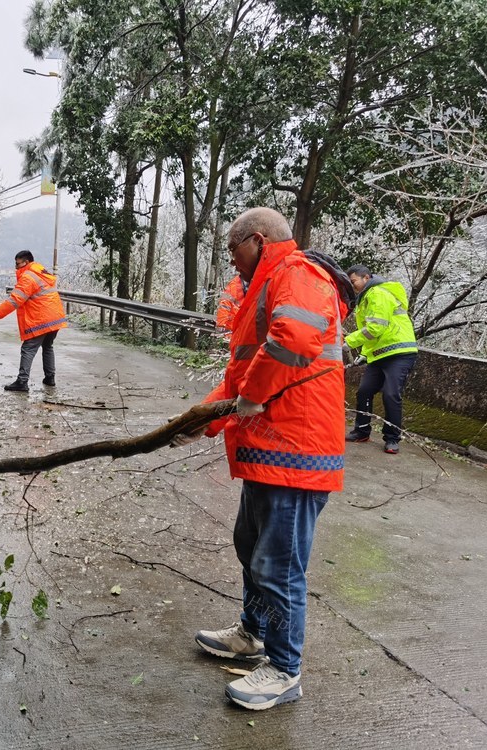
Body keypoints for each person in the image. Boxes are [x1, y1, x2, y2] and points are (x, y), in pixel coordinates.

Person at [173, 207, 349, 710]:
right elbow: (240, 379)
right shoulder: (266, 285)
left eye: (234, 251)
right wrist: (196, 422)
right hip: (269, 451)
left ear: (257, 239)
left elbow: (292, 340)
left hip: (297, 454)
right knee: (250, 547)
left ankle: (285, 670)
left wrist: (253, 393)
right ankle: (252, 634)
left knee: (278, 565)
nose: (233, 263)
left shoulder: (297, 274)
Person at [343, 264, 418, 454]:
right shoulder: (367, 298)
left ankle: (392, 438)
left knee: (391, 394)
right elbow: (373, 335)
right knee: (364, 391)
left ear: (366, 278)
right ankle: (361, 430)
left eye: (354, 282)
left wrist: (347, 342)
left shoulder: (378, 293)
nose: (352, 286)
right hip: (380, 354)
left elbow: (376, 328)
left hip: (400, 353)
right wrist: (364, 354)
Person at [0, 250, 68, 392]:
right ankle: (50, 378)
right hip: (55, 318)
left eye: (18, 264)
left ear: (26, 262)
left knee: (28, 349)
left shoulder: (28, 277)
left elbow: (15, 300)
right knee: (47, 346)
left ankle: (22, 381)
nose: (16, 267)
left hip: (41, 319)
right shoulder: (41, 271)